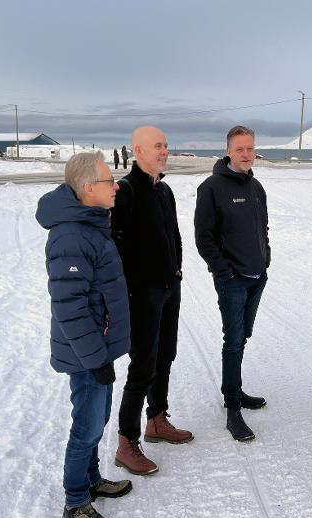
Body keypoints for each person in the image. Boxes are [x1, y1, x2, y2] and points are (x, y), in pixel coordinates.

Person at [35, 151, 132, 518]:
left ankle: (91, 478)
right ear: (89, 188)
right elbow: (69, 308)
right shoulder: (72, 235)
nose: (117, 186)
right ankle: (75, 502)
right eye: (110, 181)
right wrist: (95, 358)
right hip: (86, 353)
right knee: (87, 427)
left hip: (98, 348)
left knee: (99, 419)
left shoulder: (90, 223)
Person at [111, 126, 192, 476]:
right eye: (157, 146)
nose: (164, 151)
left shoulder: (165, 190)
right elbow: (115, 246)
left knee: (166, 356)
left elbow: (173, 236)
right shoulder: (126, 191)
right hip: (141, 294)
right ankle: (126, 441)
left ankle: (157, 419)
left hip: (168, 288)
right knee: (142, 365)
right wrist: (128, 291)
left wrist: (176, 270)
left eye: (166, 145)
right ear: (137, 151)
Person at [195, 125, 270, 442]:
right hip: (233, 280)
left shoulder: (257, 188)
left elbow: (263, 228)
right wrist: (223, 271)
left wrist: (265, 258)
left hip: (257, 276)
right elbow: (204, 238)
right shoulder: (212, 187)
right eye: (240, 149)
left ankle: (236, 390)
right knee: (234, 339)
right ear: (228, 151)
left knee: (244, 335)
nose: (246, 154)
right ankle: (232, 406)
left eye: (250, 148)